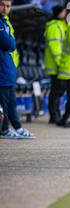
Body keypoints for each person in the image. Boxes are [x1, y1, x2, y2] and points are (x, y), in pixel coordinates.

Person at [0, 0, 35, 139]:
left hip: (8, 70)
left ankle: (18, 128)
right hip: (2, 71)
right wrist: (10, 42)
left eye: (8, 6)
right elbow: (8, 43)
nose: (5, 8)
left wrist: (11, 43)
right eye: (2, 4)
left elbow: (11, 44)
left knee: (11, 103)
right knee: (4, 105)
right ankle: (4, 130)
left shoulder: (4, 22)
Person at [44, 5, 67, 124]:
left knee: (58, 90)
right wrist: (60, 63)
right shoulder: (53, 26)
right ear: (58, 13)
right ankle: (54, 115)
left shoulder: (61, 26)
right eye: (64, 12)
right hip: (56, 65)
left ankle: (56, 114)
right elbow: (55, 47)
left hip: (59, 65)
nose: (65, 14)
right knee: (56, 91)